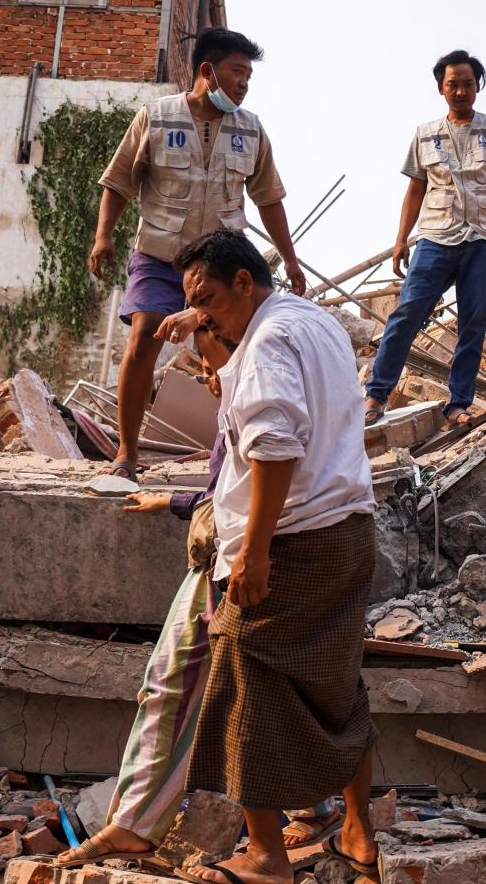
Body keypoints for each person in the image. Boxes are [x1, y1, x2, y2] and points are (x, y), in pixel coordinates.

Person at [53, 327, 342, 870]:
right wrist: (178, 501)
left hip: (235, 565)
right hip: (239, 557)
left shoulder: (260, 396)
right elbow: (230, 486)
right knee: (268, 688)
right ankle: (320, 806)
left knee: (175, 684)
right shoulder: (255, 400)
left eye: (211, 365)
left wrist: (248, 555)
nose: (207, 378)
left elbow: (265, 479)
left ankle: (136, 825)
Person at [175, 229, 380, 884]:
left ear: (245, 282)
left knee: (240, 672)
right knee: (333, 687)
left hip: (293, 538)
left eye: (208, 300)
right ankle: (357, 836)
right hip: (346, 527)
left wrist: (256, 552)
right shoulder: (312, 322)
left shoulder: (265, 344)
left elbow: (275, 447)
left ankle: (266, 855)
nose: (202, 316)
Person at [90, 27, 306, 484]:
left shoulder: (251, 130)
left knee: (225, 352)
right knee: (146, 334)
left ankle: (231, 456)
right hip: (160, 252)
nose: (245, 84)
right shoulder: (156, 117)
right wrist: (103, 236)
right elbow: (119, 182)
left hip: (221, 263)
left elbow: (268, 198)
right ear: (208, 71)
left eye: (249, 76)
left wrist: (289, 257)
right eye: (237, 73)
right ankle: (127, 454)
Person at [363, 49, 486, 429]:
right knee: (408, 314)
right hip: (435, 237)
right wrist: (400, 239)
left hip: (484, 239)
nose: (461, 91)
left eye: (468, 84)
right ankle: (377, 394)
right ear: (441, 88)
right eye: (452, 85)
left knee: (473, 322)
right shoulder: (425, 135)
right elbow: (415, 189)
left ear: (478, 87)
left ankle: (458, 405)